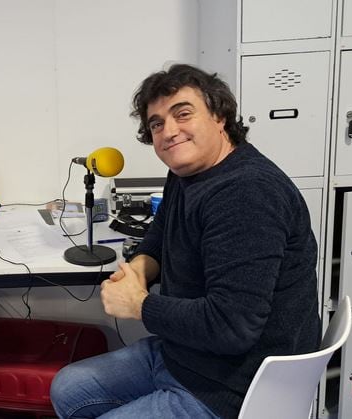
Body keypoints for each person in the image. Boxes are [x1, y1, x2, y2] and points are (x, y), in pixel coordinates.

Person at [50, 64, 320, 419]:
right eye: (157, 123)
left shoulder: (247, 193)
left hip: (232, 386)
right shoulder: (187, 173)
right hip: (187, 355)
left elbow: (230, 326)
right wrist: (139, 269)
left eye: (183, 114)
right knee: (68, 387)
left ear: (220, 117)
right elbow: (162, 233)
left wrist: (140, 305)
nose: (169, 131)